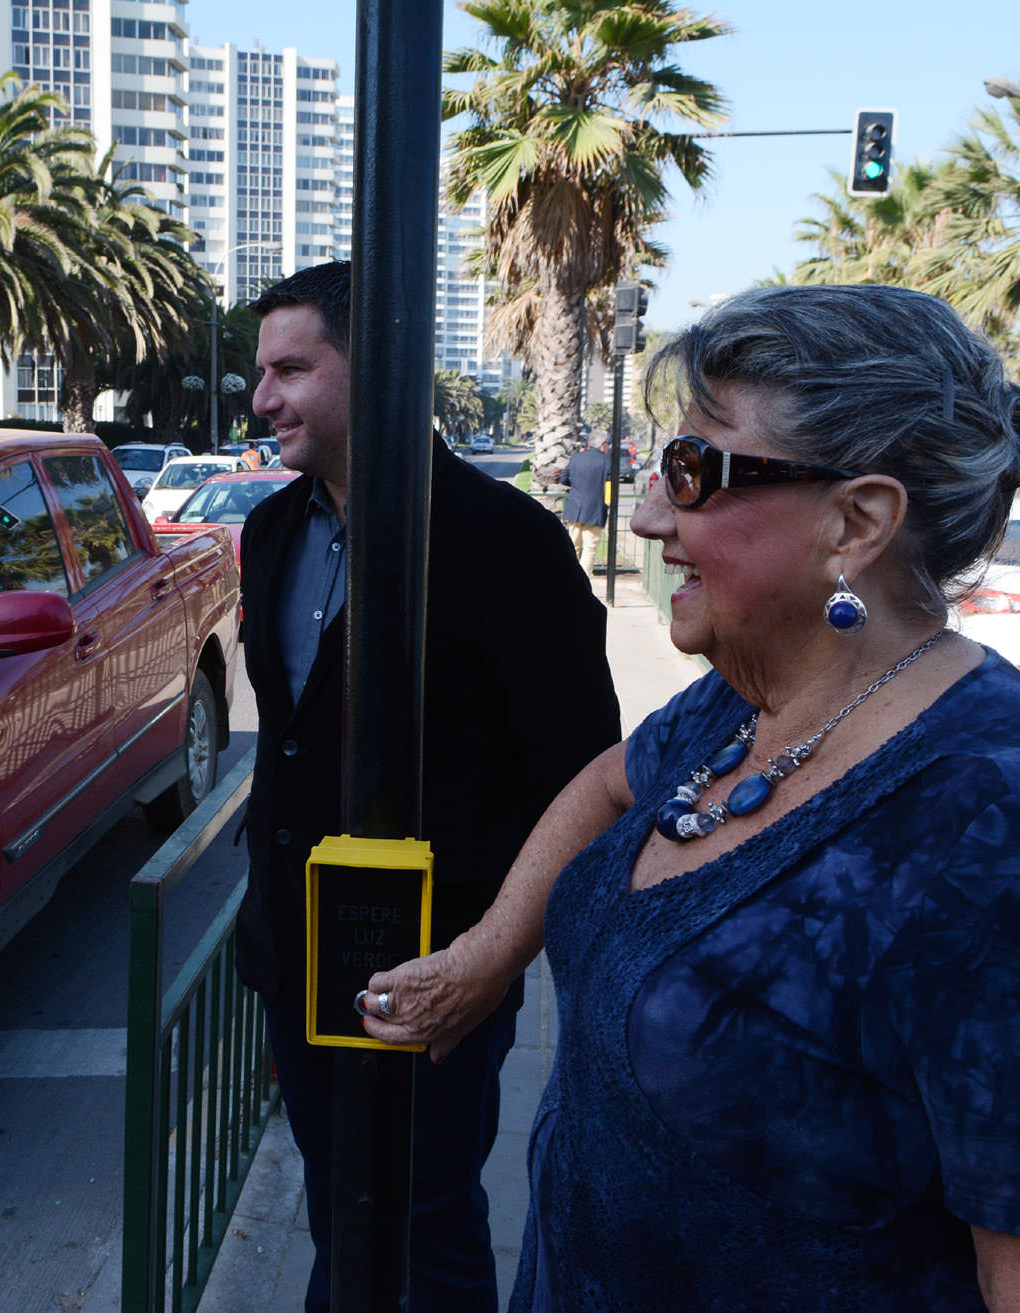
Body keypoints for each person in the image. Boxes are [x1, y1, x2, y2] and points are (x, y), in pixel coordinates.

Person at [355, 284, 1020, 1312]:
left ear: (857, 521)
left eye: (692, 473)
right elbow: (607, 785)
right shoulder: (743, 697)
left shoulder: (1014, 824)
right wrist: (482, 958)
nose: (648, 515)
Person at [238, 260, 620, 1313]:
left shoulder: (508, 542)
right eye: (261, 373)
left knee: (427, 1227)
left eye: (290, 369)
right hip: (302, 968)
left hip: (438, 972)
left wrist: (490, 961)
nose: (263, 398)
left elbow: (581, 777)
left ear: (378, 370)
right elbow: (286, 751)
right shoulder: (270, 532)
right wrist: (276, 962)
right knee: (336, 1206)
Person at [559, 434, 612, 586]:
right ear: (602, 445)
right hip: (595, 511)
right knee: (590, 548)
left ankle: (569, 577)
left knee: (573, 546)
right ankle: (582, 581)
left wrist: (577, 487)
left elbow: (564, 479)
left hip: (575, 508)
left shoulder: (576, 458)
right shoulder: (606, 461)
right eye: (607, 445)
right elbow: (609, 486)